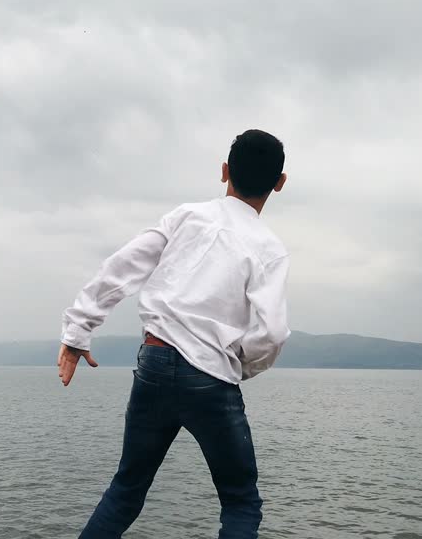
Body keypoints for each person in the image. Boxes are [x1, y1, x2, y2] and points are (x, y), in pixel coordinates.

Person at [57, 129, 291, 539]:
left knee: (126, 490)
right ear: (280, 182)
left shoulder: (186, 216)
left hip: (155, 361)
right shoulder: (269, 247)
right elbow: (271, 333)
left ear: (224, 172)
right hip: (211, 380)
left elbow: (121, 267)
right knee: (240, 502)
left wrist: (78, 332)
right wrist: (237, 363)